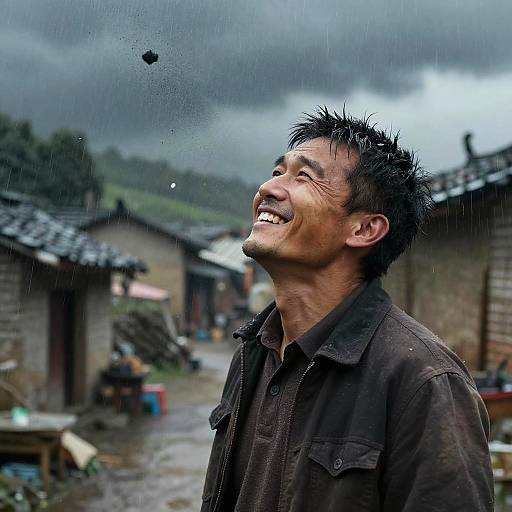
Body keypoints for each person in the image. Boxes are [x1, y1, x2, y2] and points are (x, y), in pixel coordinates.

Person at [201, 107, 494, 512]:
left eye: (303, 176)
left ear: (363, 229)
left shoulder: (422, 381)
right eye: (277, 170)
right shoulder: (253, 353)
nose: (269, 187)